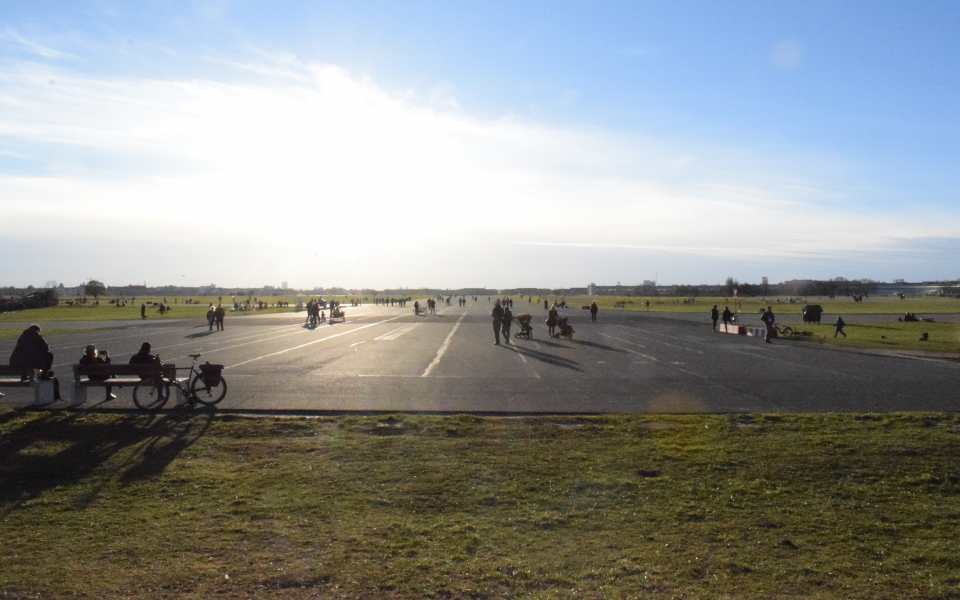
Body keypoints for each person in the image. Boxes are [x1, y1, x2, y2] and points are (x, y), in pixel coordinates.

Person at [9, 325, 61, 400]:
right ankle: (44, 373)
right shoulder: (36, 335)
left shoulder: (22, 336)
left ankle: (24, 375)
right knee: (49, 355)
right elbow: (46, 348)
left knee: (25, 361)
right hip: (28, 363)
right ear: (37, 330)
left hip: (15, 363)